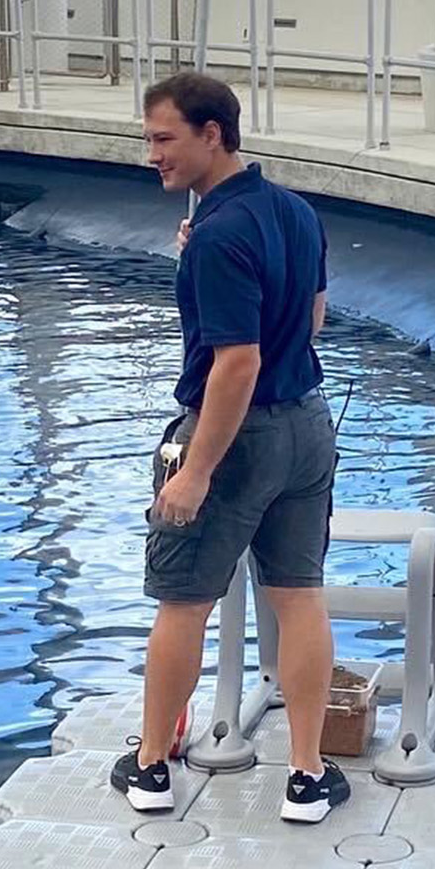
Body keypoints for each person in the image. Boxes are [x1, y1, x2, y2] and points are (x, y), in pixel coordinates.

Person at [107, 71, 347, 824]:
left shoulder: (217, 236)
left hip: (231, 437)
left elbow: (235, 363)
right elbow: (311, 318)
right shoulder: (297, 213)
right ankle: (307, 775)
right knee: (299, 596)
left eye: (164, 139)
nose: (152, 155)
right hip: (307, 427)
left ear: (213, 134)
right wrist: (204, 251)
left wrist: (196, 471)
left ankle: (150, 767)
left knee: (184, 603)